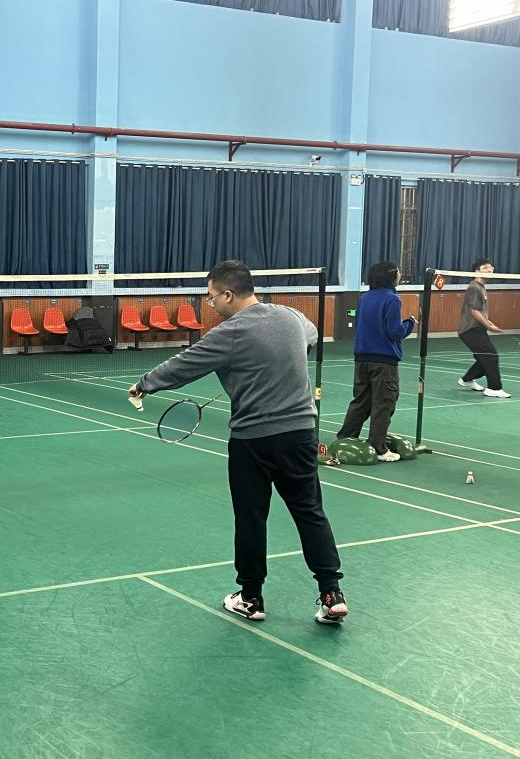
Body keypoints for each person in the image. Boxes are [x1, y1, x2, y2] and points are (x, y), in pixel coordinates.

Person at [129, 260, 347, 625]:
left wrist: (144, 384)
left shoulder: (229, 333)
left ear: (229, 294)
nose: (211, 304)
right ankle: (331, 593)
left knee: (251, 518)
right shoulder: (291, 316)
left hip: (253, 441)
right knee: (310, 512)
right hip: (300, 435)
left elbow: (185, 364)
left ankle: (250, 598)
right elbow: (310, 337)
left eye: (212, 297)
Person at [335, 262, 416, 462]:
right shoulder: (392, 300)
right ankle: (378, 447)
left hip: (362, 359)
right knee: (384, 402)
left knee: (361, 400)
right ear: (391, 277)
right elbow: (394, 331)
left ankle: (346, 438)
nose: (400, 275)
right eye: (398, 272)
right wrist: (410, 323)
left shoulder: (365, 298)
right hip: (384, 361)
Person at [457, 258, 510, 399]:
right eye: (485, 267)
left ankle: (467, 379)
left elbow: (480, 311)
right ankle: (494, 388)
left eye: (491, 267)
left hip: (474, 329)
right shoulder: (475, 288)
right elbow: (474, 311)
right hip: (470, 329)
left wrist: (489, 323)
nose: (490, 269)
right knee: (491, 356)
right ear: (477, 271)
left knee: (483, 358)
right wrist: (489, 326)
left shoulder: (481, 287)